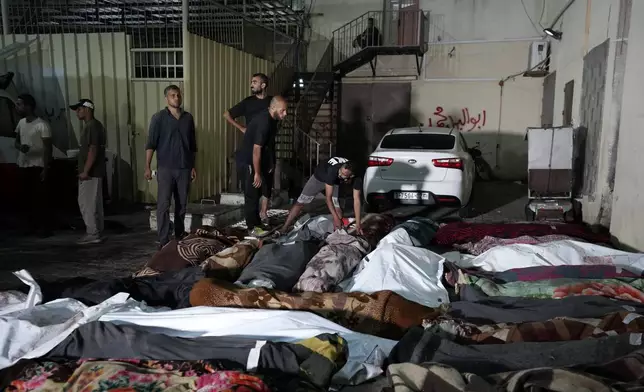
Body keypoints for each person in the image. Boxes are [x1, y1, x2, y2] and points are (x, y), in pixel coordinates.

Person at [145, 85, 197, 248]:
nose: (176, 98)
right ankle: (164, 239)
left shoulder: (188, 118)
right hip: (166, 168)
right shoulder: (158, 118)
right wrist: (147, 166)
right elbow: (151, 143)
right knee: (163, 205)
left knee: (182, 204)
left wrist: (193, 166)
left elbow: (193, 145)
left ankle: (180, 234)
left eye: (178, 95)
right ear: (166, 98)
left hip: (184, 168)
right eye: (173, 95)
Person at [223, 73, 274, 223]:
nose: (251, 84)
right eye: (251, 82)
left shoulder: (271, 102)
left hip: (269, 146)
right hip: (252, 146)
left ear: (263, 85)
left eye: (255, 82)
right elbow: (227, 114)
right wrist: (241, 128)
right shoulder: (248, 102)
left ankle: (264, 213)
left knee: (267, 180)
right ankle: (253, 220)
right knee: (253, 182)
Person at [238, 96, 287, 237]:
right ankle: (251, 227)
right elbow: (256, 149)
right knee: (252, 195)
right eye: (283, 110)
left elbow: (269, 145)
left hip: (261, 161)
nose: (285, 114)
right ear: (273, 108)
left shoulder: (273, 121)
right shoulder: (264, 122)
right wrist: (257, 173)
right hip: (249, 161)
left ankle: (257, 223)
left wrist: (270, 162)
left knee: (259, 192)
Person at [280, 157, 363, 235]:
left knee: (338, 210)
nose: (340, 174)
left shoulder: (357, 178)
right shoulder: (334, 171)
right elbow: (328, 198)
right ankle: (284, 227)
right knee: (300, 203)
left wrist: (358, 224)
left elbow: (357, 200)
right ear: (342, 167)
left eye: (343, 174)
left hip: (335, 181)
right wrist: (335, 218)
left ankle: (337, 233)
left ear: (351, 175)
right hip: (318, 178)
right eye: (340, 171)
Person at [14, 94, 52, 237]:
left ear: (28, 106)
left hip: (38, 166)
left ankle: (44, 228)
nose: (16, 107)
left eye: (19, 104)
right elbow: (16, 142)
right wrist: (20, 147)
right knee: (26, 198)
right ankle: (30, 227)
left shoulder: (42, 125)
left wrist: (46, 168)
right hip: (23, 165)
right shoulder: (21, 123)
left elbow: (48, 149)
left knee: (40, 199)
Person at [70, 99, 107, 245]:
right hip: (95, 172)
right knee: (94, 203)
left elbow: (93, 149)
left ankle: (92, 233)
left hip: (91, 173)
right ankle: (97, 231)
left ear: (88, 109)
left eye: (79, 109)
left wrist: (85, 171)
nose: (77, 112)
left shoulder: (92, 126)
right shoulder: (94, 126)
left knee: (86, 203)